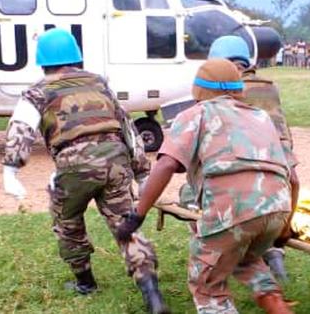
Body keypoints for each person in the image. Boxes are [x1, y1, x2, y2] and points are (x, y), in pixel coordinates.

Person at [0, 29, 167, 313]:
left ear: (42, 61)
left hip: (74, 164)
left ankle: (85, 282)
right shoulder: (99, 84)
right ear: (77, 56)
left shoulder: (39, 91)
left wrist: (10, 170)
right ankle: (151, 290)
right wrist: (140, 171)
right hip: (115, 160)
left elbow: (21, 127)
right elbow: (127, 126)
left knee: (68, 222)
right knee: (124, 223)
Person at [117, 59, 298, 314]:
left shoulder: (195, 114)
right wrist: (285, 226)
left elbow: (166, 165)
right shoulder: (261, 117)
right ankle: (275, 303)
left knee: (207, 283)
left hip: (232, 212)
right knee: (243, 257)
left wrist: (137, 215)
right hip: (277, 208)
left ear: (198, 90)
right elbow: (293, 179)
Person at [207, 35, 298, 282]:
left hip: (241, 179)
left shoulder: (226, 92)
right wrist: (286, 226)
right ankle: (274, 251)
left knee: (192, 197)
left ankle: (216, 261)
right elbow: (294, 178)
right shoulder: (269, 87)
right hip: (281, 184)